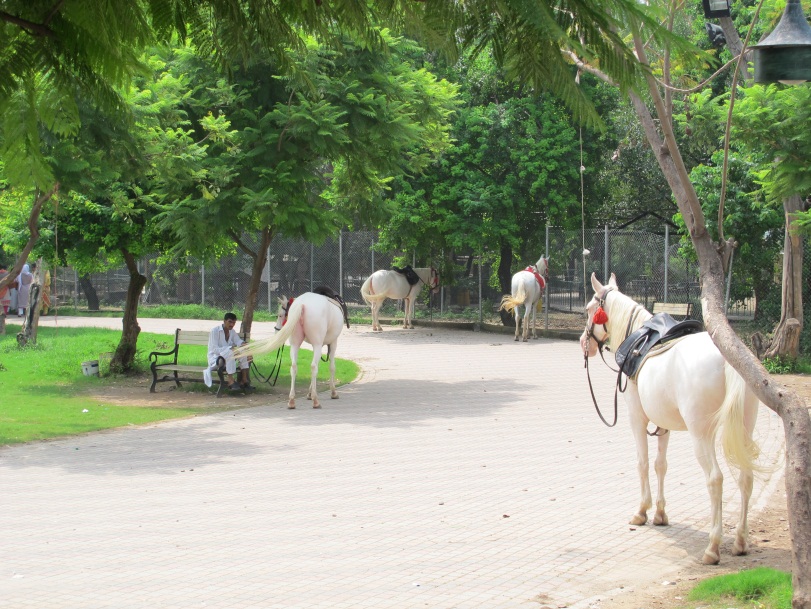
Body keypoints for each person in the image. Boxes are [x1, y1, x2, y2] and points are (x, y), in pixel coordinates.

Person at [205, 312, 254, 392]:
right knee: (231, 352)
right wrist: (230, 348)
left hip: (227, 358)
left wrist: (244, 345)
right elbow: (214, 349)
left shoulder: (232, 332)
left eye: (234, 323)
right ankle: (230, 381)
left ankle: (244, 380)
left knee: (242, 352)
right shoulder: (215, 331)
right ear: (224, 321)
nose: (232, 324)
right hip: (215, 359)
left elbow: (238, 341)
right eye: (230, 322)